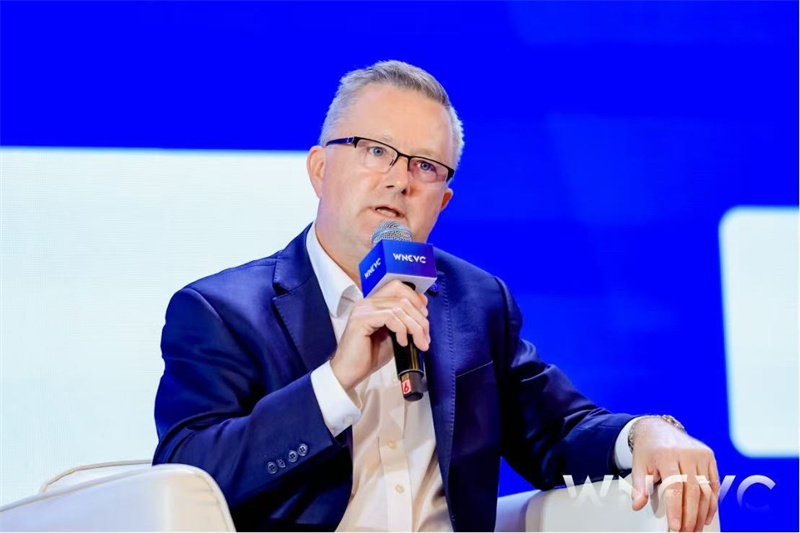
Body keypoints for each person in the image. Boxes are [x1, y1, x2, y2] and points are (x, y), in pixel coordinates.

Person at [153, 60, 719, 532]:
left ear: (442, 201)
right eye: (376, 150)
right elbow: (189, 475)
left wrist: (646, 433)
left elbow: (556, 432)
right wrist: (336, 381)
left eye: (425, 165)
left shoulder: (475, 300)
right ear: (320, 169)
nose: (399, 180)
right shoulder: (221, 312)